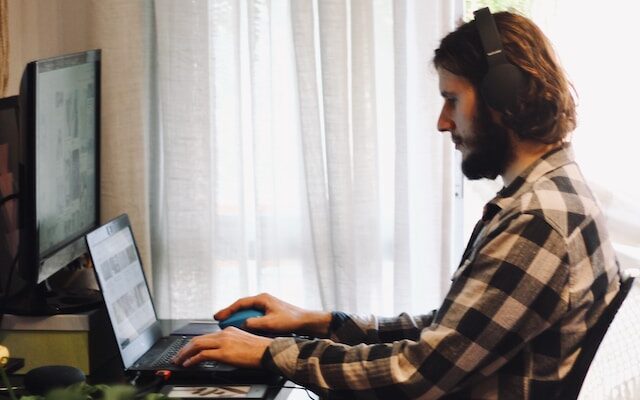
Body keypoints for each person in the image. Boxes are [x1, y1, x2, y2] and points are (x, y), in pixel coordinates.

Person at [173, 10, 621, 399]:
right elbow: (455, 332)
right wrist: (320, 322)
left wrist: (274, 354)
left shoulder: (539, 221)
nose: (443, 123)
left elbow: (420, 373)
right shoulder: (547, 196)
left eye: (451, 99)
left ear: (503, 98)